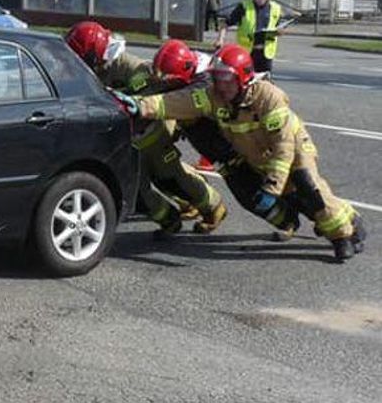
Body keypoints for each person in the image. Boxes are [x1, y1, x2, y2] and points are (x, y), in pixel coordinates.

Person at [121, 44, 367, 261]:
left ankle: (343, 236)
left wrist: (272, 187)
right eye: (217, 78)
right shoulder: (213, 96)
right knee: (289, 198)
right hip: (257, 154)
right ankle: (342, 217)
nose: (220, 85)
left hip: (294, 149)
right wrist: (140, 106)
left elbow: (283, 146)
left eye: (226, 79)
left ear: (243, 78)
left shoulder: (267, 97)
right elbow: (174, 103)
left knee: (309, 189)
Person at [65, 22, 226, 237]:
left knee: (170, 176)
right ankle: (170, 219)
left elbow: (154, 95)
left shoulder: (130, 67)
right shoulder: (97, 69)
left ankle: (213, 208)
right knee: (140, 186)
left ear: (93, 53)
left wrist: (124, 99)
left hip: (152, 133)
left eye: (81, 56)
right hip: (130, 136)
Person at [151, 39, 302, 241]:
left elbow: (187, 104)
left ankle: (323, 221)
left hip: (242, 150)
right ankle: (288, 222)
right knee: (250, 198)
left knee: (289, 187)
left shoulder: (209, 84)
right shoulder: (198, 78)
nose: (165, 84)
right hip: (223, 156)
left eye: (170, 80)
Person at [217, 0, 291, 74]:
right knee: (246, 82)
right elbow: (225, 23)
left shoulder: (275, 8)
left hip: (266, 54)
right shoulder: (244, 6)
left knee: (264, 84)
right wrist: (220, 40)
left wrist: (280, 31)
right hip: (247, 53)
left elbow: (281, 26)